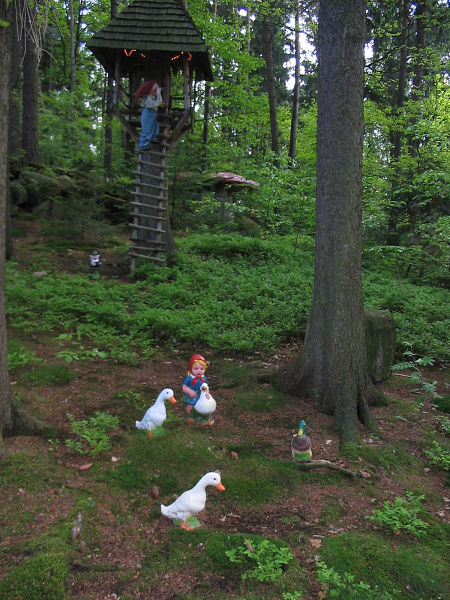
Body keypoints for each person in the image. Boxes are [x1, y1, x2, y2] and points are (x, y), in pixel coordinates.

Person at [134, 80, 163, 150]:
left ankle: (152, 141)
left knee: (154, 127)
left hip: (152, 113)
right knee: (147, 129)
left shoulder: (151, 97)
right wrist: (159, 94)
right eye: (155, 88)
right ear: (150, 90)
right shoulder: (148, 97)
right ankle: (143, 145)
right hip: (148, 113)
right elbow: (157, 103)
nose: (156, 90)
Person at [182, 354, 209, 424]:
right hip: (191, 395)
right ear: (191, 369)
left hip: (200, 394)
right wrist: (190, 391)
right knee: (190, 405)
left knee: (205, 405)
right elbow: (184, 387)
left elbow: (206, 386)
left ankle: (202, 417)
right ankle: (188, 416)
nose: (199, 371)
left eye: (202, 369)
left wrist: (207, 393)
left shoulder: (204, 378)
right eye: (196, 369)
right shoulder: (189, 378)